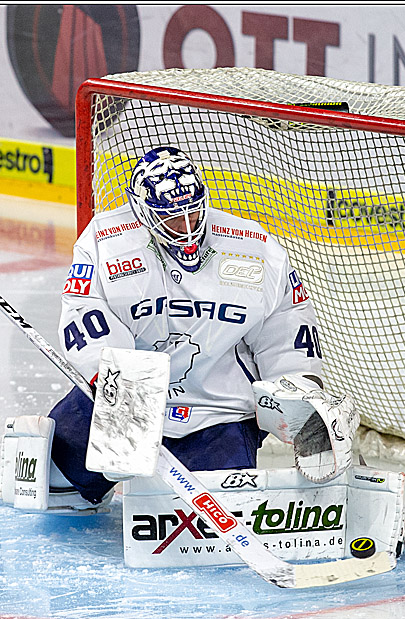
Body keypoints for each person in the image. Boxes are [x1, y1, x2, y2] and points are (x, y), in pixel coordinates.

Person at [43, 145, 331, 510]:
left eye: (194, 213)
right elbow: (83, 314)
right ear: (144, 212)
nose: (187, 228)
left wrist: (295, 391)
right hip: (123, 398)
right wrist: (123, 393)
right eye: (172, 219)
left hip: (217, 411)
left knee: (195, 530)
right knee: (54, 489)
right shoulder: (104, 241)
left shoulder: (254, 247)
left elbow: (288, 326)